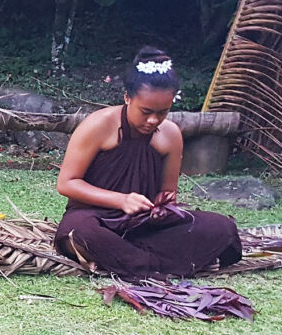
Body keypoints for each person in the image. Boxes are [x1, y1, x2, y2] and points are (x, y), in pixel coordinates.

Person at [54, 47, 242, 280]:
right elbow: (67, 183)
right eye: (145, 111)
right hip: (95, 219)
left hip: (143, 226)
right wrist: (121, 200)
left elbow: (167, 193)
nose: (153, 120)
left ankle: (131, 262)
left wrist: (162, 207)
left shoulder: (171, 134)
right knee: (80, 234)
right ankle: (158, 265)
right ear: (127, 98)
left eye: (163, 112)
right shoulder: (97, 125)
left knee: (222, 228)